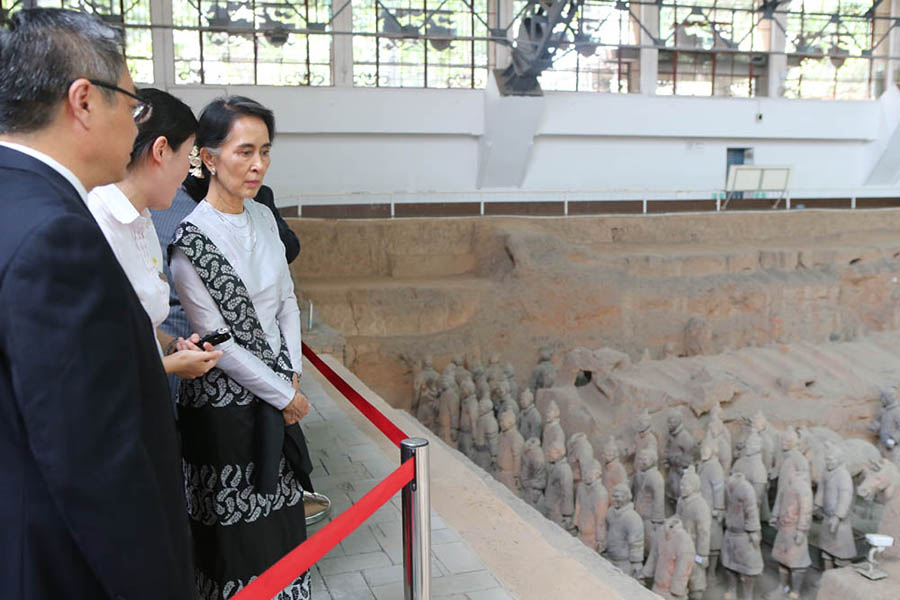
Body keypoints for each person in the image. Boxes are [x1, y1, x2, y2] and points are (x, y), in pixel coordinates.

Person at [0, 8, 194, 599]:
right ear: (83, 101)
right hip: (62, 564)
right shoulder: (55, 235)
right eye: (131, 106)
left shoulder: (18, 199)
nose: (137, 127)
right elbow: (94, 465)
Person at [169, 96, 313, 599]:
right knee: (234, 544)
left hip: (277, 393)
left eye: (266, 151)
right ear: (208, 158)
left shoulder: (265, 217)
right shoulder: (193, 239)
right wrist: (283, 395)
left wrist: (292, 373)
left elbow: (288, 301)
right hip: (225, 413)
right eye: (245, 151)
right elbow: (219, 342)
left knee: (283, 532)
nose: (258, 165)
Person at [86, 88, 222, 378]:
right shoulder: (97, 224)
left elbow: (138, 323)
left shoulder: (143, 220)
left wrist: (173, 345)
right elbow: (92, 359)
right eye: (188, 156)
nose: (188, 170)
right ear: (160, 150)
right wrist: (173, 365)